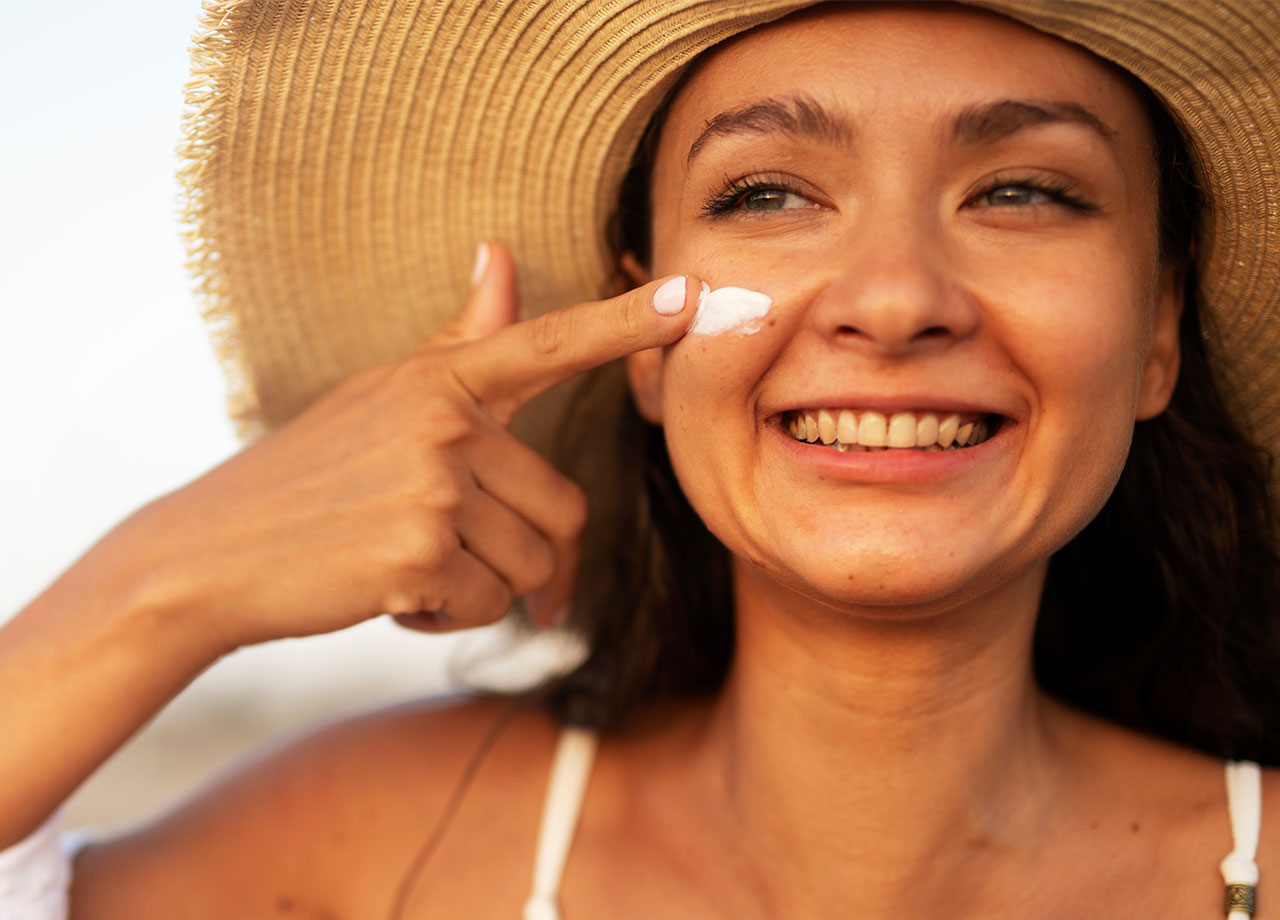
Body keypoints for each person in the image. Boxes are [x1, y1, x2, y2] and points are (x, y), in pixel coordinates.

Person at [1, 1, 1278, 917]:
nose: (894, 301)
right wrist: (166, 578)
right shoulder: (366, 842)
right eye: (765, 194)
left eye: (1021, 192)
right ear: (645, 345)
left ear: (1155, 331)